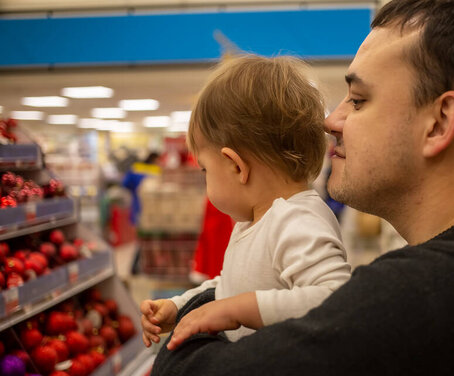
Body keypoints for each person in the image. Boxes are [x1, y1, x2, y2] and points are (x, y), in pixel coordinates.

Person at [144, 1, 454, 376]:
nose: (330, 121)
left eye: (358, 100)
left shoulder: (447, 296)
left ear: (439, 123)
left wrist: (209, 310)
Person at [140, 55, 351, 347]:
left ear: (236, 166)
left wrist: (237, 311)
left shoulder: (296, 219)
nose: (204, 179)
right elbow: (229, 287)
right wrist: (180, 306)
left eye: (205, 169)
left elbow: (336, 298)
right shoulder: (252, 221)